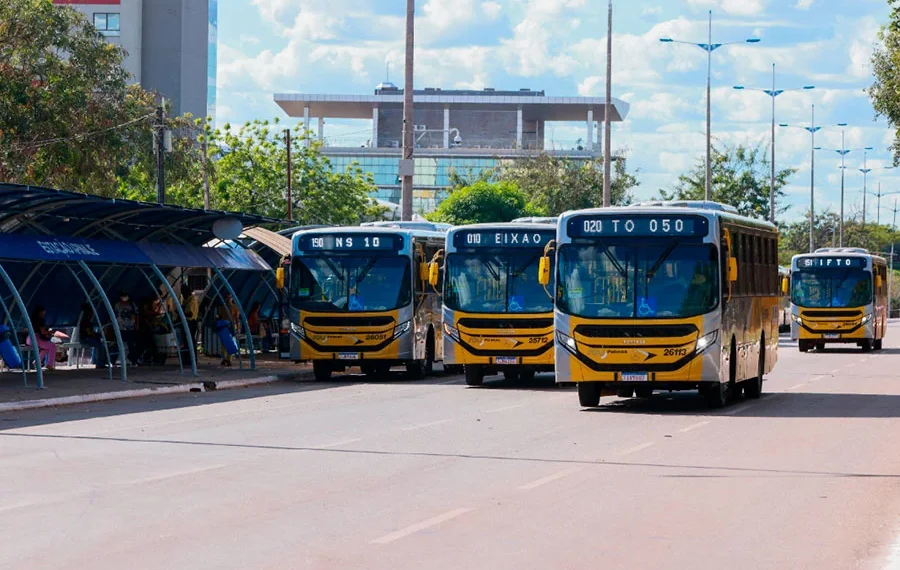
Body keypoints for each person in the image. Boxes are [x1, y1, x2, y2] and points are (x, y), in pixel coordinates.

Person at [113, 291, 140, 367]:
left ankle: (133, 361)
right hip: (120, 327)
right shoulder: (117, 305)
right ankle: (113, 361)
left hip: (130, 327)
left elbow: (137, 314)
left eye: (126, 296)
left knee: (131, 345)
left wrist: (137, 325)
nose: (124, 298)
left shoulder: (132, 304)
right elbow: (115, 315)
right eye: (123, 296)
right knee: (117, 345)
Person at [78, 304, 109, 368]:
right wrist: (99, 335)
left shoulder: (87, 321)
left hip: (87, 338)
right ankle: (100, 363)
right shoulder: (85, 321)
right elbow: (89, 333)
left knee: (101, 344)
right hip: (86, 339)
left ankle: (102, 361)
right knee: (101, 346)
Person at [26, 305, 56, 370]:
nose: (44, 314)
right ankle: (49, 364)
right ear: (40, 312)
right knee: (52, 346)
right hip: (36, 339)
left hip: (29, 339)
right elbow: (43, 332)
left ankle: (37, 362)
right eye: (43, 312)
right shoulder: (40, 320)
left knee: (46, 348)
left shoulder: (31, 319)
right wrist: (51, 333)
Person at [217, 294, 240, 367]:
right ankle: (226, 358)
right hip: (226, 326)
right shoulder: (224, 307)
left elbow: (237, 318)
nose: (229, 299)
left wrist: (238, 327)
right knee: (226, 343)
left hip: (229, 327)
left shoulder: (233, 307)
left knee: (228, 343)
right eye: (228, 298)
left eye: (230, 298)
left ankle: (228, 359)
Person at [181, 284, 199, 355]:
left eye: (184, 294)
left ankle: (192, 358)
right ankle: (188, 357)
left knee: (190, 340)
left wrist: (182, 313)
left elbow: (190, 313)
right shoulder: (187, 300)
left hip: (191, 322)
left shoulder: (192, 300)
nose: (183, 295)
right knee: (187, 341)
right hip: (188, 322)